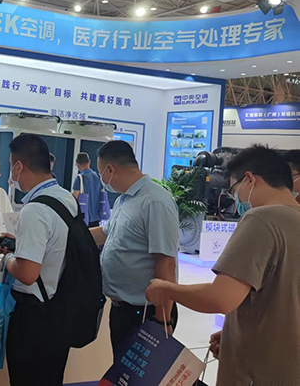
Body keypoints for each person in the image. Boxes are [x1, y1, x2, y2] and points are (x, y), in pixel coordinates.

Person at [147, 145, 300, 385]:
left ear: (249, 179)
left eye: (234, 190)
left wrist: (166, 289)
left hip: (259, 373)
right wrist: (235, 333)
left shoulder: (261, 219)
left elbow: (221, 298)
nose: (236, 199)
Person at [0, 133, 76, 385]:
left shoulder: (35, 209)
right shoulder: (65, 198)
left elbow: (28, 274)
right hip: (59, 309)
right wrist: (21, 244)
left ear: (19, 166)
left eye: (10, 166)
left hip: (34, 317)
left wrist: (8, 259)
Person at [89, 140, 179, 355]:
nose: (102, 180)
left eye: (101, 173)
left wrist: (163, 320)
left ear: (110, 170)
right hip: (123, 309)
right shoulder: (124, 199)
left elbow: (166, 263)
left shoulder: (155, 201)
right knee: (122, 370)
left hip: (147, 313)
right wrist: (68, 235)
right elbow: (105, 233)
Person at [72, 152, 104, 227]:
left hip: (84, 219)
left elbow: (74, 198)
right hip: (96, 218)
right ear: (89, 162)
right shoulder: (98, 176)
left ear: (77, 164)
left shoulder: (80, 178)